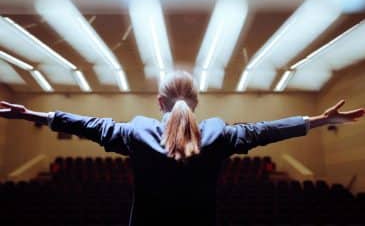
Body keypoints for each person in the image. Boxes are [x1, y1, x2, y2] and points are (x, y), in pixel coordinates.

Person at [0, 70, 364, 226]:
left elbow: (89, 126)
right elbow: (262, 131)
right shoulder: (217, 135)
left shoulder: (138, 133)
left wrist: (33, 113)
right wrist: (319, 121)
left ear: (159, 102)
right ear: (197, 103)